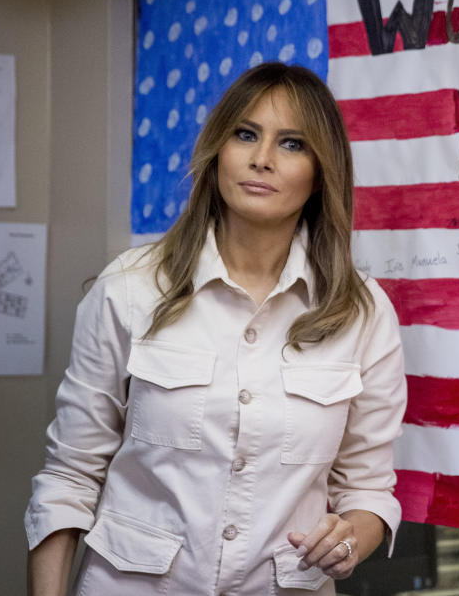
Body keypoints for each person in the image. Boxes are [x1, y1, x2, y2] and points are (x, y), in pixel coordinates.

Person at [25, 63, 407, 596]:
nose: (262, 159)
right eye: (245, 134)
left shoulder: (362, 312)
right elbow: (69, 476)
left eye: (292, 143)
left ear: (322, 171)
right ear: (217, 151)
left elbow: (368, 490)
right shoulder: (130, 290)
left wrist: (349, 540)